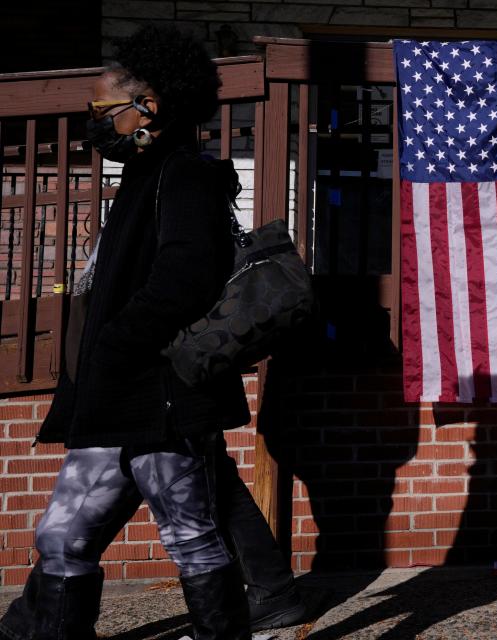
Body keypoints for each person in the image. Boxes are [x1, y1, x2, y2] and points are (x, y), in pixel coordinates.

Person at [0, 26, 301, 640]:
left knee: (190, 534)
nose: (95, 122)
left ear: (149, 107)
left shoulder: (185, 174)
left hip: (159, 396)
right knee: (61, 535)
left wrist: (112, 345)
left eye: (103, 110)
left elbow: (181, 283)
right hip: (114, 394)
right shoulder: (143, 175)